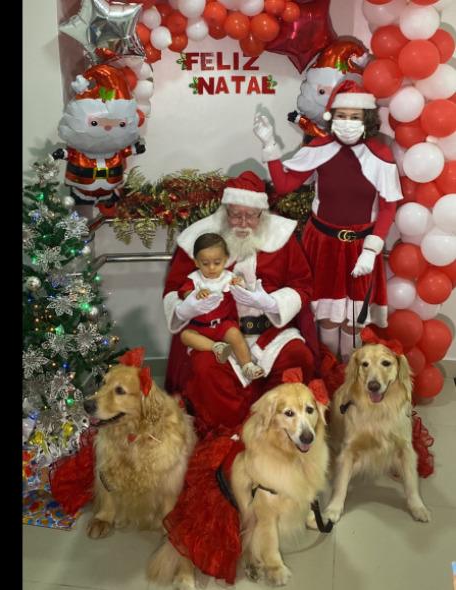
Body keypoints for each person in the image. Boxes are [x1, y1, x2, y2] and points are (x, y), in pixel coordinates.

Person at [254, 80, 402, 360]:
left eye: (354, 116)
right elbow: (285, 185)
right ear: (332, 116)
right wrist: (269, 144)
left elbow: (388, 207)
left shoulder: (380, 154)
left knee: (353, 319)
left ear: (366, 119)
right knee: (326, 316)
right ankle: (327, 370)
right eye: (342, 115)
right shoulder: (320, 147)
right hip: (322, 244)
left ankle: (348, 373)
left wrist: (371, 251)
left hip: (361, 248)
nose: (347, 122)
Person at [162, 172, 317, 434]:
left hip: (271, 332)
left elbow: (303, 286)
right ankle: (232, 433)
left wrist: (269, 302)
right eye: (236, 215)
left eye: (251, 215)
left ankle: (273, 430)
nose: (243, 223)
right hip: (216, 331)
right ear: (225, 213)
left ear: (262, 215)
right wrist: (188, 306)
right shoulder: (201, 242)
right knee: (205, 368)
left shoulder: (282, 238)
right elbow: (175, 289)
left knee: (297, 357)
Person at [177, 233, 265, 381]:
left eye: (217, 263)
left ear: (225, 260)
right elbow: (184, 293)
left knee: (235, 334)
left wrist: (239, 283)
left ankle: (247, 365)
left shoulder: (228, 277)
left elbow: (243, 291)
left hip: (223, 324)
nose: (211, 268)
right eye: (205, 263)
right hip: (200, 327)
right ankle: (216, 347)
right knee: (186, 336)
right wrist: (194, 295)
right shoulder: (195, 279)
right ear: (196, 262)